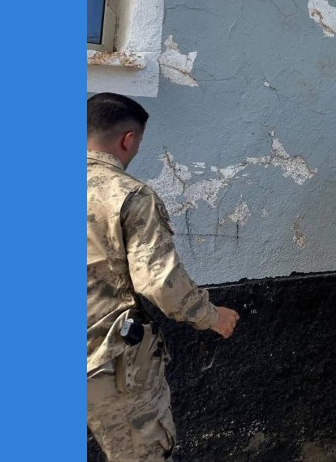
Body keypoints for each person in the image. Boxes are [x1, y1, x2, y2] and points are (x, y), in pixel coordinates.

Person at [87, 92, 240, 460]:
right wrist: (212, 316)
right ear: (129, 139)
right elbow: (158, 280)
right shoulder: (129, 195)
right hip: (110, 362)